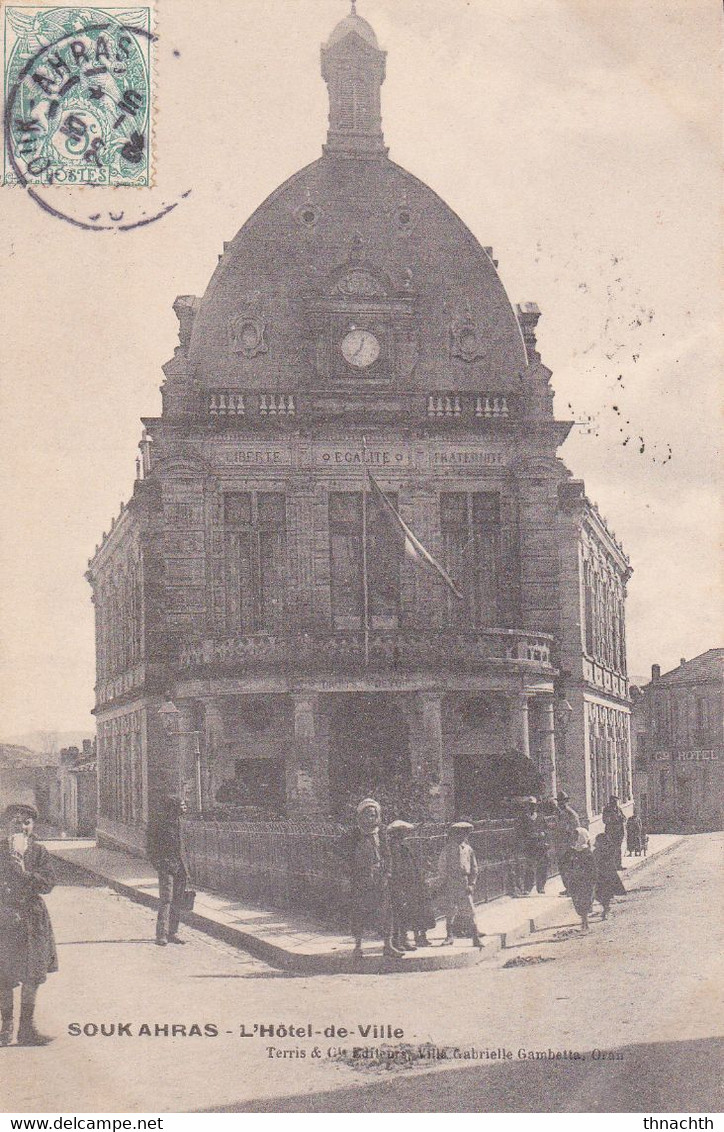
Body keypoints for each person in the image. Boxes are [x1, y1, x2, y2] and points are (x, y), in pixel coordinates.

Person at [0, 803, 58, 1046]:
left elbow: (48, 884)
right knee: (4, 974)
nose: (22, 826)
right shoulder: (1, 851)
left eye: (27, 822)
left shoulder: (39, 852)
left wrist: (23, 872)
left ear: (32, 826)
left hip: (33, 920)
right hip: (4, 917)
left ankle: (26, 1029)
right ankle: (6, 1027)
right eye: (16, 822)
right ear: (6, 825)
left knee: (32, 973)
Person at [349, 799, 402, 959]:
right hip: (361, 878)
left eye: (373, 815)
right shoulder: (354, 834)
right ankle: (358, 947)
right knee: (359, 912)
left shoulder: (382, 832)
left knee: (386, 912)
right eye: (367, 815)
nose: (370, 819)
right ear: (360, 816)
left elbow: (388, 855)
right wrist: (352, 874)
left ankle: (388, 945)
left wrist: (387, 874)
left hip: (380, 878)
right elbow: (344, 856)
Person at [147, 794, 190, 946]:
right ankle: (161, 935)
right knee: (166, 900)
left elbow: (185, 847)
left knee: (177, 901)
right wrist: (159, 865)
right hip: (166, 866)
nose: (185, 809)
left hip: (180, 867)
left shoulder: (181, 823)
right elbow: (150, 848)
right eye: (182, 806)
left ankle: (173, 932)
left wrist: (187, 868)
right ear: (173, 808)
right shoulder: (159, 824)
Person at [386, 820, 436, 950]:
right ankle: (399, 940)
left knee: (406, 912)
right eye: (402, 831)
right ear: (396, 833)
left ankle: (403, 940)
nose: (405, 834)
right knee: (399, 912)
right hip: (399, 883)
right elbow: (397, 867)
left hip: (409, 883)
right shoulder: (394, 847)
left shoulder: (404, 846)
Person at [438, 821, 484, 948]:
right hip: (451, 881)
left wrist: (472, 884)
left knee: (470, 910)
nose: (462, 836)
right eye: (459, 833)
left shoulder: (468, 849)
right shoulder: (448, 849)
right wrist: (444, 882)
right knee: (450, 910)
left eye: (465, 833)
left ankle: (475, 936)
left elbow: (474, 868)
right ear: (454, 834)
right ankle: (449, 936)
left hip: (464, 881)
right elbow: (442, 867)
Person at [512, 798, 549, 896]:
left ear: (536, 806)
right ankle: (528, 887)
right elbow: (519, 832)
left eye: (534, 805)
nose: (532, 807)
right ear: (527, 807)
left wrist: (543, 834)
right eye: (530, 805)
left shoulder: (541, 817)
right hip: (529, 846)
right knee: (530, 867)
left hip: (541, 846)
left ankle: (541, 887)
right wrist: (527, 836)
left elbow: (546, 830)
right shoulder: (523, 818)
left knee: (542, 867)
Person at [567, 827, 595, 931]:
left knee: (585, 900)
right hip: (575, 881)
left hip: (585, 881)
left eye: (576, 836)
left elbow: (593, 868)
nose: (574, 838)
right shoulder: (571, 851)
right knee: (577, 901)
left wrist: (592, 880)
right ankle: (584, 920)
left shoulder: (587, 852)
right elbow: (567, 865)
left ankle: (585, 922)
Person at [593, 832, 626, 919]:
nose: (595, 843)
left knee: (606, 894)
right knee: (598, 894)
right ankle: (606, 908)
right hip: (599, 876)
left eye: (597, 842)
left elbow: (610, 863)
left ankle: (606, 909)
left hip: (607, 876)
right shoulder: (596, 851)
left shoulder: (608, 851)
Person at [553, 791, 580, 895]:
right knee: (562, 868)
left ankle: (572, 889)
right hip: (560, 845)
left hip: (569, 845)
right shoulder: (558, 813)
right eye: (559, 801)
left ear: (566, 802)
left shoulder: (571, 814)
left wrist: (573, 844)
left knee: (570, 868)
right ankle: (568, 888)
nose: (560, 803)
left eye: (562, 801)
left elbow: (576, 830)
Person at [602, 794, 626, 869]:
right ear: (611, 801)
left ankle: (618, 865)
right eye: (614, 801)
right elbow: (605, 820)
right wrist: (614, 820)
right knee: (611, 849)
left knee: (618, 849)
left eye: (616, 801)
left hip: (619, 832)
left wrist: (622, 819)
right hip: (611, 832)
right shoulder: (607, 810)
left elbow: (624, 817)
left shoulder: (618, 809)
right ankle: (612, 866)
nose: (616, 803)